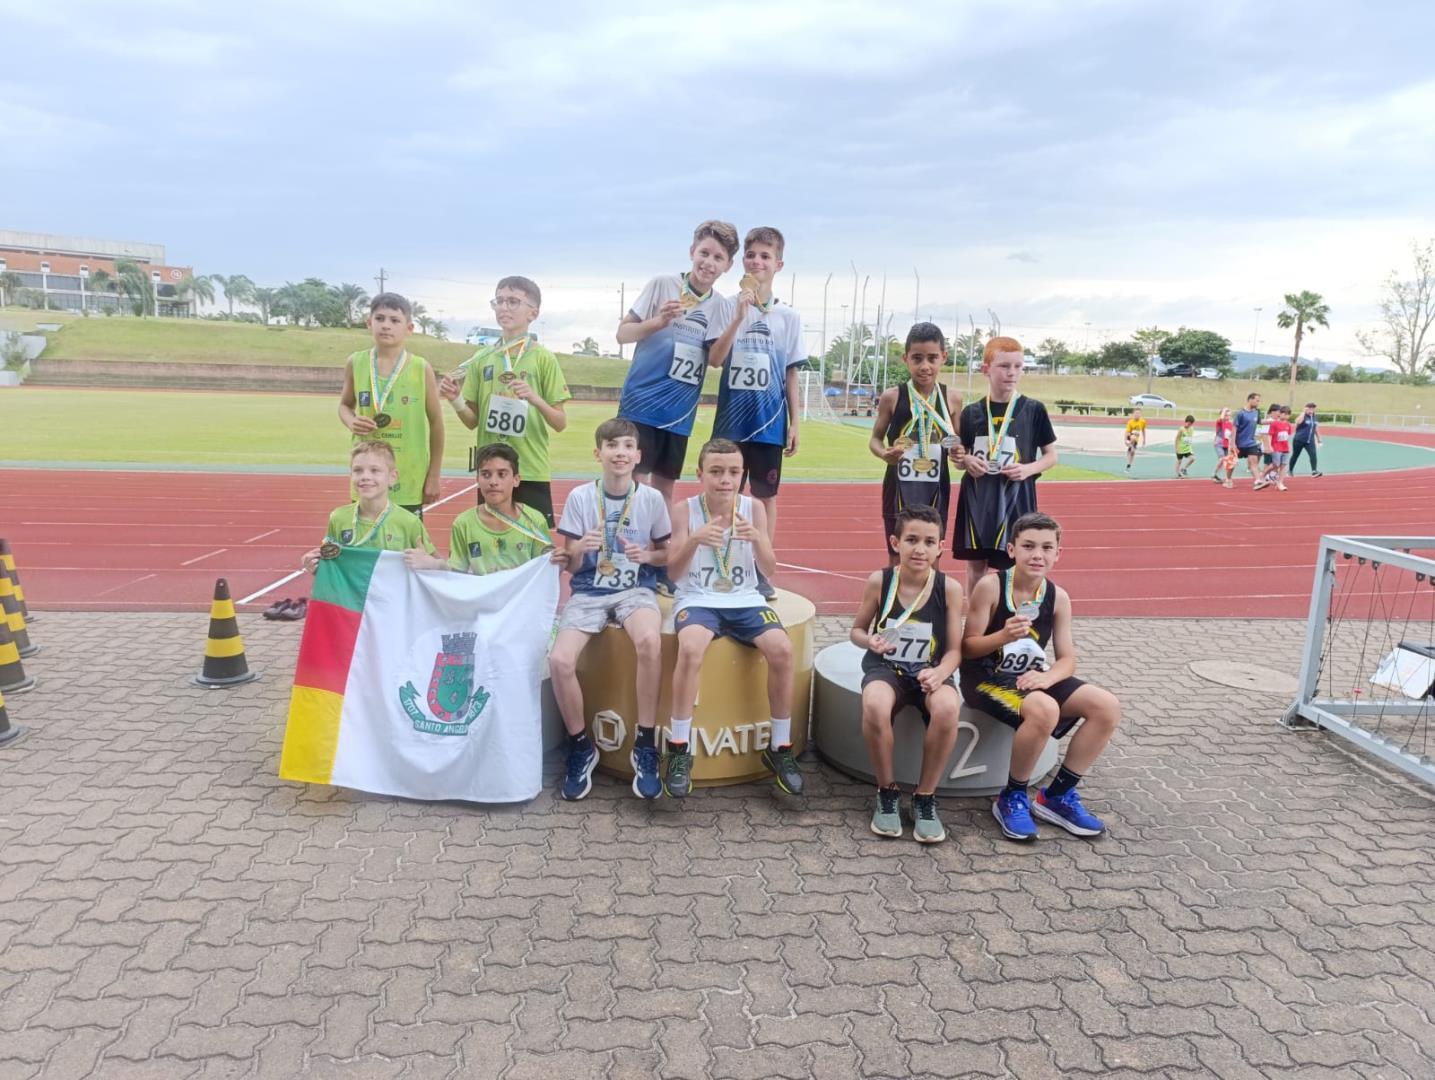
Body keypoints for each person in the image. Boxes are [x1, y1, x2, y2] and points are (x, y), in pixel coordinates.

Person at [961, 511, 1122, 842]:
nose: (1038, 555)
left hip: (1029, 679)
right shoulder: (990, 587)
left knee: (1106, 706)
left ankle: (1057, 796)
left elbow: (1067, 659)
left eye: (1047, 548)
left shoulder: (1058, 597)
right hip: (985, 679)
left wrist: (1048, 679)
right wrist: (1001, 637)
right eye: (1029, 546)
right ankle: (1012, 796)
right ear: (1011, 550)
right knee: (1045, 709)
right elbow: (968, 648)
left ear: (1058, 553)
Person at [666, 437, 800, 798]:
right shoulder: (684, 510)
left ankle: (781, 747)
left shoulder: (753, 508)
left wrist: (757, 539)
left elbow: (769, 568)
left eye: (733, 472)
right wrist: (693, 541)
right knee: (691, 648)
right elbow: (674, 574)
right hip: (698, 597)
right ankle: (679, 747)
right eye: (716, 472)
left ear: (742, 475)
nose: (725, 479)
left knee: (783, 650)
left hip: (744, 598)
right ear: (700, 474)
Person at [548, 419, 672, 802]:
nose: (620, 452)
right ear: (597, 453)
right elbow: (567, 564)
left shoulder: (651, 499)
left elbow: (667, 554)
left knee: (650, 641)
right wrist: (578, 549)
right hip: (587, 591)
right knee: (559, 661)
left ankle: (645, 743)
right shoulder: (580, 498)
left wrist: (647, 554)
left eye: (627, 446)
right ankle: (581, 745)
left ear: (638, 455)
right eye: (612, 445)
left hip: (635, 590)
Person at [849, 505, 965, 843]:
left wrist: (941, 672)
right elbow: (856, 630)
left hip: (931, 672)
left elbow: (956, 650)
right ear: (895, 542)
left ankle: (925, 796)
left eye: (929, 542)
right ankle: (887, 791)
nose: (920, 549)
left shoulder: (950, 588)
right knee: (874, 704)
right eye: (911, 540)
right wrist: (868, 639)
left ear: (940, 547)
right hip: (886, 669)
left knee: (946, 708)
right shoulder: (880, 581)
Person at [708, 227, 806, 599]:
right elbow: (716, 360)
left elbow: (790, 374)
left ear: (778, 264)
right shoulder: (724, 307)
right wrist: (738, 315)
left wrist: (795, 423)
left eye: (765, 256)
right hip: (731, 423)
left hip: (768, 423)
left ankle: (762, 571)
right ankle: (717, 564)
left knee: (765, 498)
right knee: (722, 491)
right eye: (751, 255)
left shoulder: (788, 318)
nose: (757, 262)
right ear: (742, 263)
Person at [616, 221, 739, 507]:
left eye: (718, 258)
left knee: (664, 490)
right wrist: (659, 322)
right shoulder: (662, 284)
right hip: (641, 406)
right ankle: (624, 549)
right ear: (692, 251)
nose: (708, 263)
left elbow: (717, 360)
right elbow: (623, 334)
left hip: (678, 414)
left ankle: (660, 549)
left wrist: (736, 320)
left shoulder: (720, 305)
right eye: (704, 253)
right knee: (633, 484)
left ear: (728, 265)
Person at [439, 277, 571, 525]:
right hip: (492, 471)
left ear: (533, 312)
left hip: (530, 469)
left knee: (535, 549)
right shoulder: (482, 358)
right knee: (491, 546)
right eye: (499, 301)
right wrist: (455, 399)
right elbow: (471, 421)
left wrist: (535, 398)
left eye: (513, 301)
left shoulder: (543, 359)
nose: (504, 307)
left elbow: (560, 422)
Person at [951, 336, 1059, 597]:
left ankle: (1012, 617)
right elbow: (958, 456)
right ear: (986, 369)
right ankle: (975, 621)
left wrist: (1028, 469)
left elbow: (1051, 456)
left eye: (1018, 366)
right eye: (1004, 366)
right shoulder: (972, 412)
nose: (1012, 373)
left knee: (1017, 564)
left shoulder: (1033, 409)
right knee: (976, 566)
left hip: (1017, 498)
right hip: (978, 499)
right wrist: (966, 460)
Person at [337, 293, 444, 515]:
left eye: (395, 320)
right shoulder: (356, 362)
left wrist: (433, 475)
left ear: (409, 328)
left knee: (408, 546)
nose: (386, 326)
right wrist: (352, 421)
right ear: (369, 323)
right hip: (367, 473)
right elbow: (344, 406)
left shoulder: (420, 368)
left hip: (409, 474)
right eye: (380, 318)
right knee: (366, 540)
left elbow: (436, 423)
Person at [868, 324, 964, 563]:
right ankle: (894, 599)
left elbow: (958, 444)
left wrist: (959, 454)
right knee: (897, 551)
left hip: (936, 486)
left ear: (943, 357)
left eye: (932, 358)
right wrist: (883, 454)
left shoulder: (952, 398)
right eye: (917, 358)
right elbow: (875, 439)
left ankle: (932, 599)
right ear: (905, 359)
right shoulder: (893, 396)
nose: (925, 366)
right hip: (898, 484)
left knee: (933, 552)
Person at [404, 443, 554, 576]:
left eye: (502, 474)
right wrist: (433, 564)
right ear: (477, 480)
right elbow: (457, 572)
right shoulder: (464, 524)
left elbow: (544, 572)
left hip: (521, 604)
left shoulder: (534, 520)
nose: (493, 482)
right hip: (481, 605)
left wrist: (560, 561)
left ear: (516, 480)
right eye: (486, 475)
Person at [301, 441, 436, 575]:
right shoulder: (338, 518)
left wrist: (430, 563)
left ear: (392, 477)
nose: (365, 476)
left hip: (392, 595)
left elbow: (443, 570)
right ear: (351, 475)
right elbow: (332, 566)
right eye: (358, 470)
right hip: (354, 596)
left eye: (375, 470)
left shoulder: (409, 522)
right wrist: (315, 566)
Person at [1233, 391, 1264, 487]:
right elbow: (1234, 429)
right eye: (1257, 400)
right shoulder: (1240, 413)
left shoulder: (1257, 412)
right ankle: (1228, 479)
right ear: (1250, 400)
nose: (1258, 403)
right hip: (1239, 443)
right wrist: (1233, 444)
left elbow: (1260, 425)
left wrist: (1272, 422)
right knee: (1232, 463)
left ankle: (1258, 480)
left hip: (1251, 443)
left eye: (1259, 401)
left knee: (1254, 463)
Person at [1291, 401, 1324, 477]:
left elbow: (1316, 428)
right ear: (1306, 408)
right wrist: (1303, 412)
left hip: (1310, 440)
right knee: (1295, 455)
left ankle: (1314, 471)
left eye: (1313, 408)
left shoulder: (1314, 417)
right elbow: (1298, 422)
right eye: (1310, 408)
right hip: (1299, 440)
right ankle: (1290, 470)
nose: (1312, 409)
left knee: (1313, 454)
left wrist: (1319, 439)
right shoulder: (1303, 415)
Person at [1267, 404, 1294, 491]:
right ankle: (1265, 474)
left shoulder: (1288, 425)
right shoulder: (1274, 424)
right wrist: (1269, 446)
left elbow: (1287, 436)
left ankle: (1280, 483)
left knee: (1284, 465)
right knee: (1276, 464)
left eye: (1287, 414)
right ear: (1280, 414)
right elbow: (1269, 435)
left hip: (1285, 448)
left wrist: (1289, 447)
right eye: (1284, 414)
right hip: (1276, 447)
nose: (1285, 416)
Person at [1255, 403, 1282, 489]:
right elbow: (1262, 433)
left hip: (1276, 446)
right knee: (1268, 464)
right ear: (1272, 412)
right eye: (1278, 411)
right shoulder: (1268, 421)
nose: (1279, 413)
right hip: (1268, 446)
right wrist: (1266, 446)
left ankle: (1268, 477)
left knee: (1276, 463)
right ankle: (1261, 479)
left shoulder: (1278, 421)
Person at [1212, 406, 1236, 487]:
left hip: (1227, 444)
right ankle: (1214, 474)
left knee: (1227, 461)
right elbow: (1221, 418)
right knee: (1222, 459)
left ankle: (1226, 478)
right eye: (1226, 415)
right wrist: (1224, 410)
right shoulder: (1220, 422)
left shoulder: (1230, 424)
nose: (1227, 417)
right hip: (1219, 443)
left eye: (1229, 415)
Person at [1123, 407, 1146, 472]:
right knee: (1133, 437)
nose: (1137, 415)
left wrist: (1144, 440)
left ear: (1141, 414)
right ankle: (1130, 446)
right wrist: (1125, 440)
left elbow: (1143, 430)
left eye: (1139, 413)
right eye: (1136, 413)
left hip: (1136, 439)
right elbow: (1127, 432)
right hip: (1129, 436)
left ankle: (1129, 465)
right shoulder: (1130, 422)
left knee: (1133, 453)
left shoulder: (1143, 421)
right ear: (1133, 414)